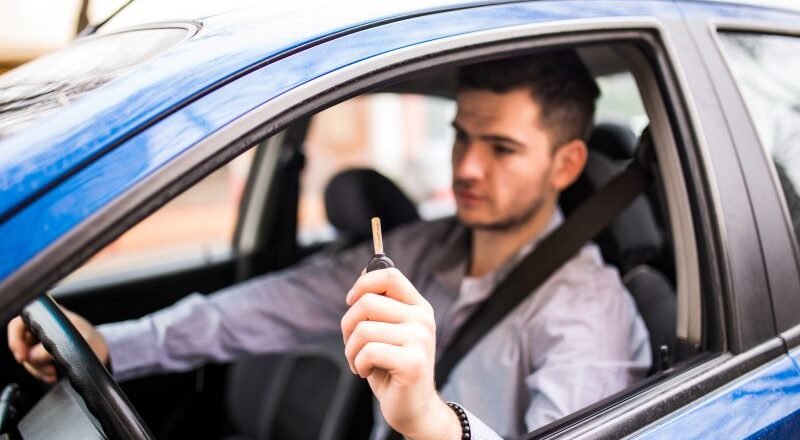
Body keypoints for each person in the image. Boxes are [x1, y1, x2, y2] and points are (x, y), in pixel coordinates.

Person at [7, 50, 651, 440]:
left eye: (502, 148)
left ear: (567, 165)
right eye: (462, 136)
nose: (467, 168)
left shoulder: (587, 313)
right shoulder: (425, 250)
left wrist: (431, 421)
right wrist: (117, 343)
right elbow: (265, 306)